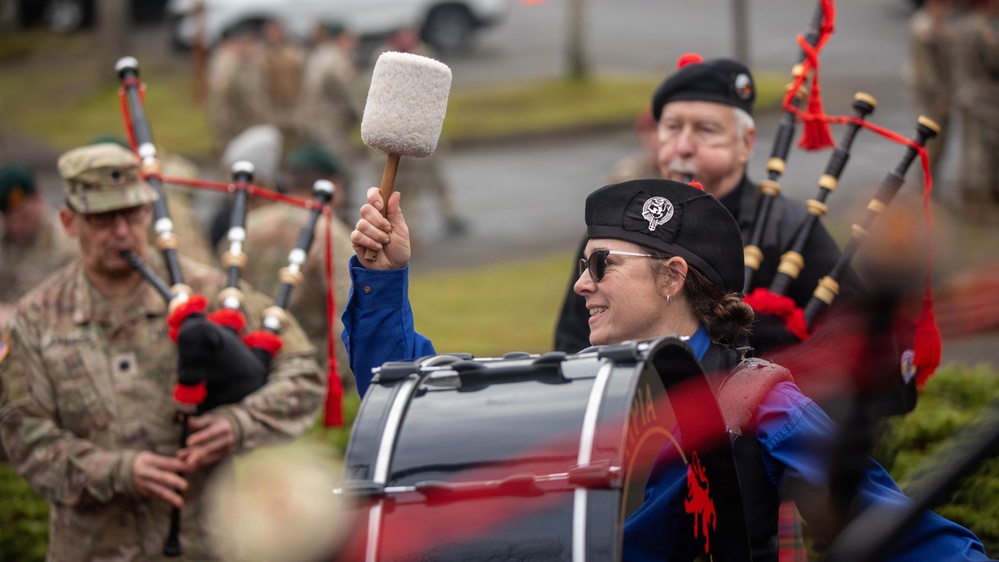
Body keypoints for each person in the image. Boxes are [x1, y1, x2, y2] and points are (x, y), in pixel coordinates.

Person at [342, 178, 990, 561]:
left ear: (671, 275)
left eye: (601, 266)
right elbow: (410, 410)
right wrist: (382, 275)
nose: (579, 286)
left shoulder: (757, 402)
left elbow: (905, 536)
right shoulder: (573, 393)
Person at [0, 142, 325, 560]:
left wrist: (240, 423)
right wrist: (119, 472)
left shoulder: (208, 295)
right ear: (68, 221)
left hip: (207, 545)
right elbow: (24, 438)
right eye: (102, 217)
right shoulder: (38, 320)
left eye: (132, 213)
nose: (121, 231)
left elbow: (303, 375)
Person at [554, 55, 862, 356]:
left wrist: (782, 363)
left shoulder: (790, 227)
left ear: (745, 143)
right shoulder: (616, 232)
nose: (683, 147)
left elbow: (864, 345)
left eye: (706, 130)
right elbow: (573, 348)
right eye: (672, 128)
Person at [241, 144, 356, 391]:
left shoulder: (249, 226)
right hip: (308, 376)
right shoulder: (330, 234)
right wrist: (345, 381)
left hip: (249, 365)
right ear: (333, 185)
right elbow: (348, 315)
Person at [366, 27, 468, 245]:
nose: (408, 38)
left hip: (421, 135)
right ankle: (403, 235)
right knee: (399, 191)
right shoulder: (384, 58)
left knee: (436, 180)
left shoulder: (426, 54)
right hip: (391, 134)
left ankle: (450, 214)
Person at [0, 164, 76, 328]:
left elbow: (75, 307)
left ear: (39, 198)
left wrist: (14, 316)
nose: (16, 226)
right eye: (8, 218)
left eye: (24, 215)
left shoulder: (66, 243)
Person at [298, 20, 363, 198]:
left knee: (321, 171)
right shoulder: (337, 60)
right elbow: (348, 94)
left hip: (314, 123)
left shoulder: (318, 55)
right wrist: (361, 117)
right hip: (331, 126)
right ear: (341, 38)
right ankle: (342, 214)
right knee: (342, 172)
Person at [952, 0, 999, 223]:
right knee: (981, 151)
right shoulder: (982, 28)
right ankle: (978, 205)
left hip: (968, 92)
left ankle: (970, 201)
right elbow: (992, 61)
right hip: (982, 95)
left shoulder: (966, 24)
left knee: (970, 146)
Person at [905, 0, 957, 184]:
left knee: (941, 144)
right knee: (931, 144)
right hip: (929, 94)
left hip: (941, 92)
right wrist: (939, 95)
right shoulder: (923, 26)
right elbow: (926, 68)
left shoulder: (938, 25)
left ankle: (931, 185)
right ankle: (923, 188)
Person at [205, 21, 268, 155]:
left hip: (247, 122)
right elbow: (221, 98)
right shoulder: (227, 64)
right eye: (244, 43)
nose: (249, 47)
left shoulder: (247, 63)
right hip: (231, 125)